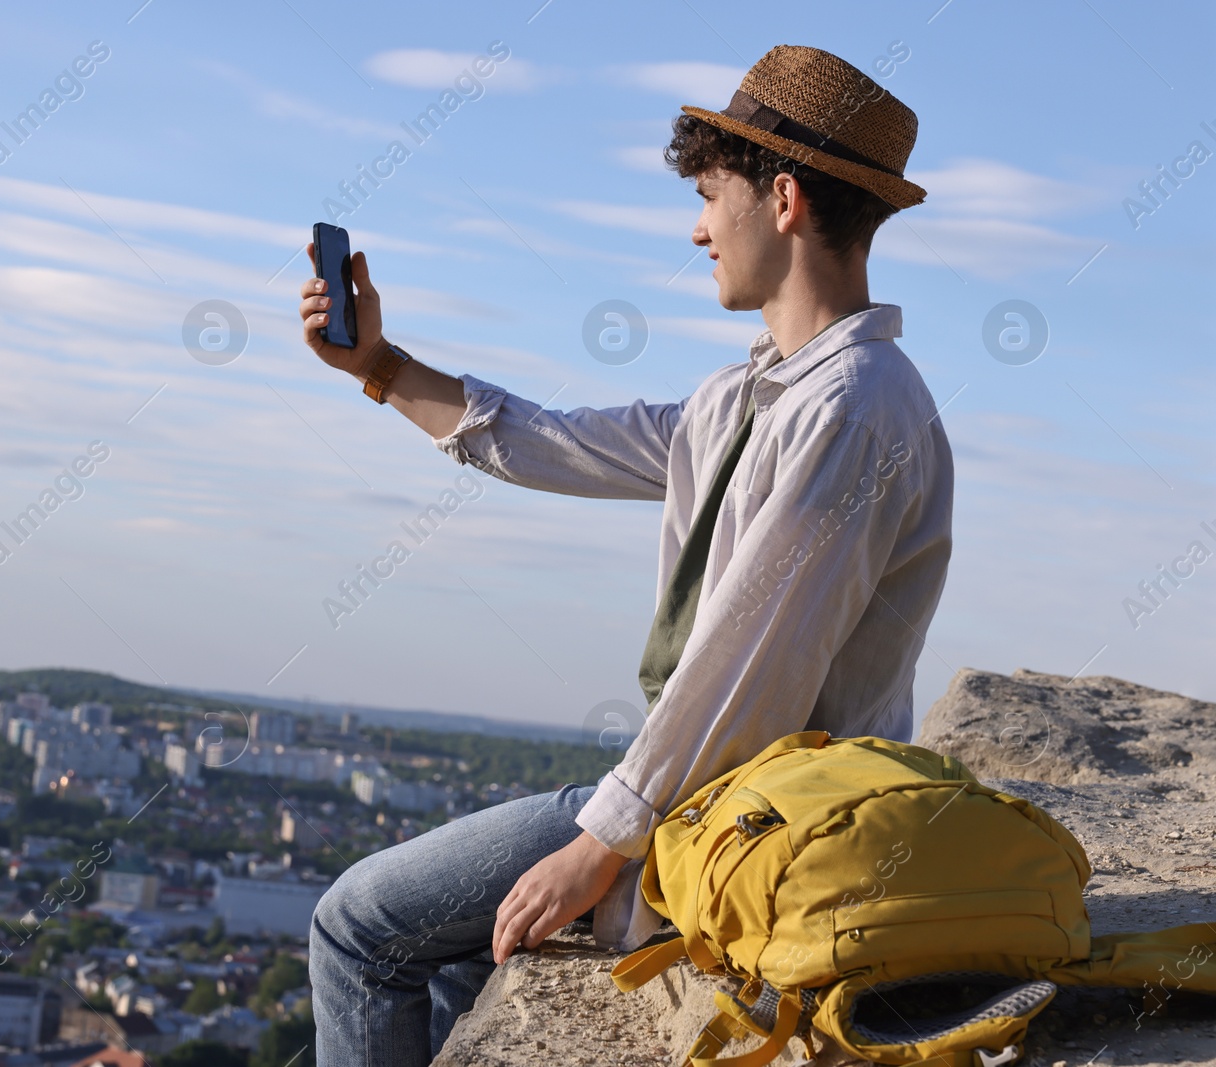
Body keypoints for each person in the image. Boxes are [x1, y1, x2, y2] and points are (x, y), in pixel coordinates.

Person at [297, 44, 954, 1067]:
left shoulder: (855, 410)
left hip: (740, 816)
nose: (697, 228)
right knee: (471, 953)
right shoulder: (747, 398)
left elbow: (750, 662)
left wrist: (600, 844)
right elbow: (546, 439)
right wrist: (378, 366)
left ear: (780, 199)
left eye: (707, 196)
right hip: (699, 793)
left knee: (356, 929)